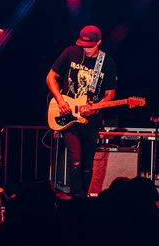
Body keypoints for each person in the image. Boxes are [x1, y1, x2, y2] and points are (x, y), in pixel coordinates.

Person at [46, 25, 118, 197]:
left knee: (87, 165)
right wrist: (61, 101)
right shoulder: (70, 52)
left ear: (99, 42)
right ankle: (77, 200)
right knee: (75, 159)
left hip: (92, 121)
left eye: (90, 46)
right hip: (69, 116)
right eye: (83, 46)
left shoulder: (107, 62)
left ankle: (82, 197)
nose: (86, 50)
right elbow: (50, 77)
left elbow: (110, 95)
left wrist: (95, 108)